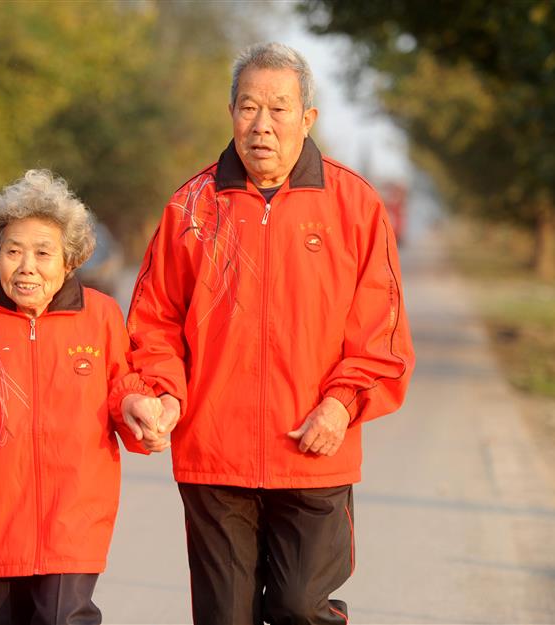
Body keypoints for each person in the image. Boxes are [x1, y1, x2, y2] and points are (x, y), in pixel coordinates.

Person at [120, 43, 416, 625]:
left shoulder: (354, 205)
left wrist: (340, 403)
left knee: (300, 606)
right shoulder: (191, 208)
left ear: (308, 118)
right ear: (230, 112)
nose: (262, 126)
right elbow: (153, 323)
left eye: (279, 109)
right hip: (213, 456)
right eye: (248, 107)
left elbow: (380, 332)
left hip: (314, 451)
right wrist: (165, 395)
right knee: (224, 616)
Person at [0, 170, 160, 625]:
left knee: (65, 617)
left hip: (75, 511)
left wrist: (135, 404)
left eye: (43, 253)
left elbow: (124, 381)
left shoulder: (99, 316)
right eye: (13, 252)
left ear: (69, 261)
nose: (27, 267)